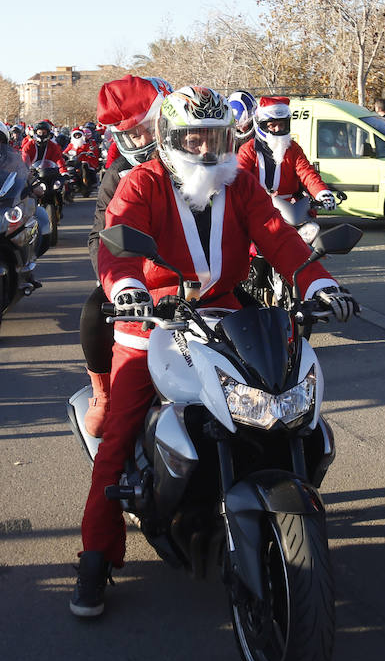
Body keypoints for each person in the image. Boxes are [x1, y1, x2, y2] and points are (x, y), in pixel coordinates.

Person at [70, 86, 357, 618]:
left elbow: (279, 236)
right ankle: (95, 558)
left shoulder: (241, 182)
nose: (206, 148)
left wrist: (318, 282)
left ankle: (269, 497)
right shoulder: (142, 182)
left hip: (226, 315)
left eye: (217, 136)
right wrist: (127, 289)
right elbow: (116, 243)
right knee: (117, 441)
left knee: (281, 402)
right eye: (193, 136)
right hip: (153, 321)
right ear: (170, 137)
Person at [79, 74, 172, 438]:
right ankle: (103, 394)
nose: (144, 140)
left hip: (198, 275)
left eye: (149, 128)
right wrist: (118, 283)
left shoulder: (204, 159)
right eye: (134, 134)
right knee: (92, 312)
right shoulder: (118, 175)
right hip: (139, 280)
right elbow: (99, 236)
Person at [236, 96, 338, 211]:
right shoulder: (248, 149)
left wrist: (322, 193)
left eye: (282, 124)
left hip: (290, 209)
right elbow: (241, 178)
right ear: (262, 125)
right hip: (256, 207)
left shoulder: (293, 148)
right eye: (272, 125)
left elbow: (307, 173)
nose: (278, 129)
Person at [63, 126, 101, 193]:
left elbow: (89, 149)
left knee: (84, 166)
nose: (77, 136)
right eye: (76, 135)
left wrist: (89, 152)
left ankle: (86, 181)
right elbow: (65, 151)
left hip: (84, 160)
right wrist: (64, 154)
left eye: (79, 135)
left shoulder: (85, 144)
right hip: (74, 161)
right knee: (68, 167)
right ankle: (71, 183)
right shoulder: (71, 144)